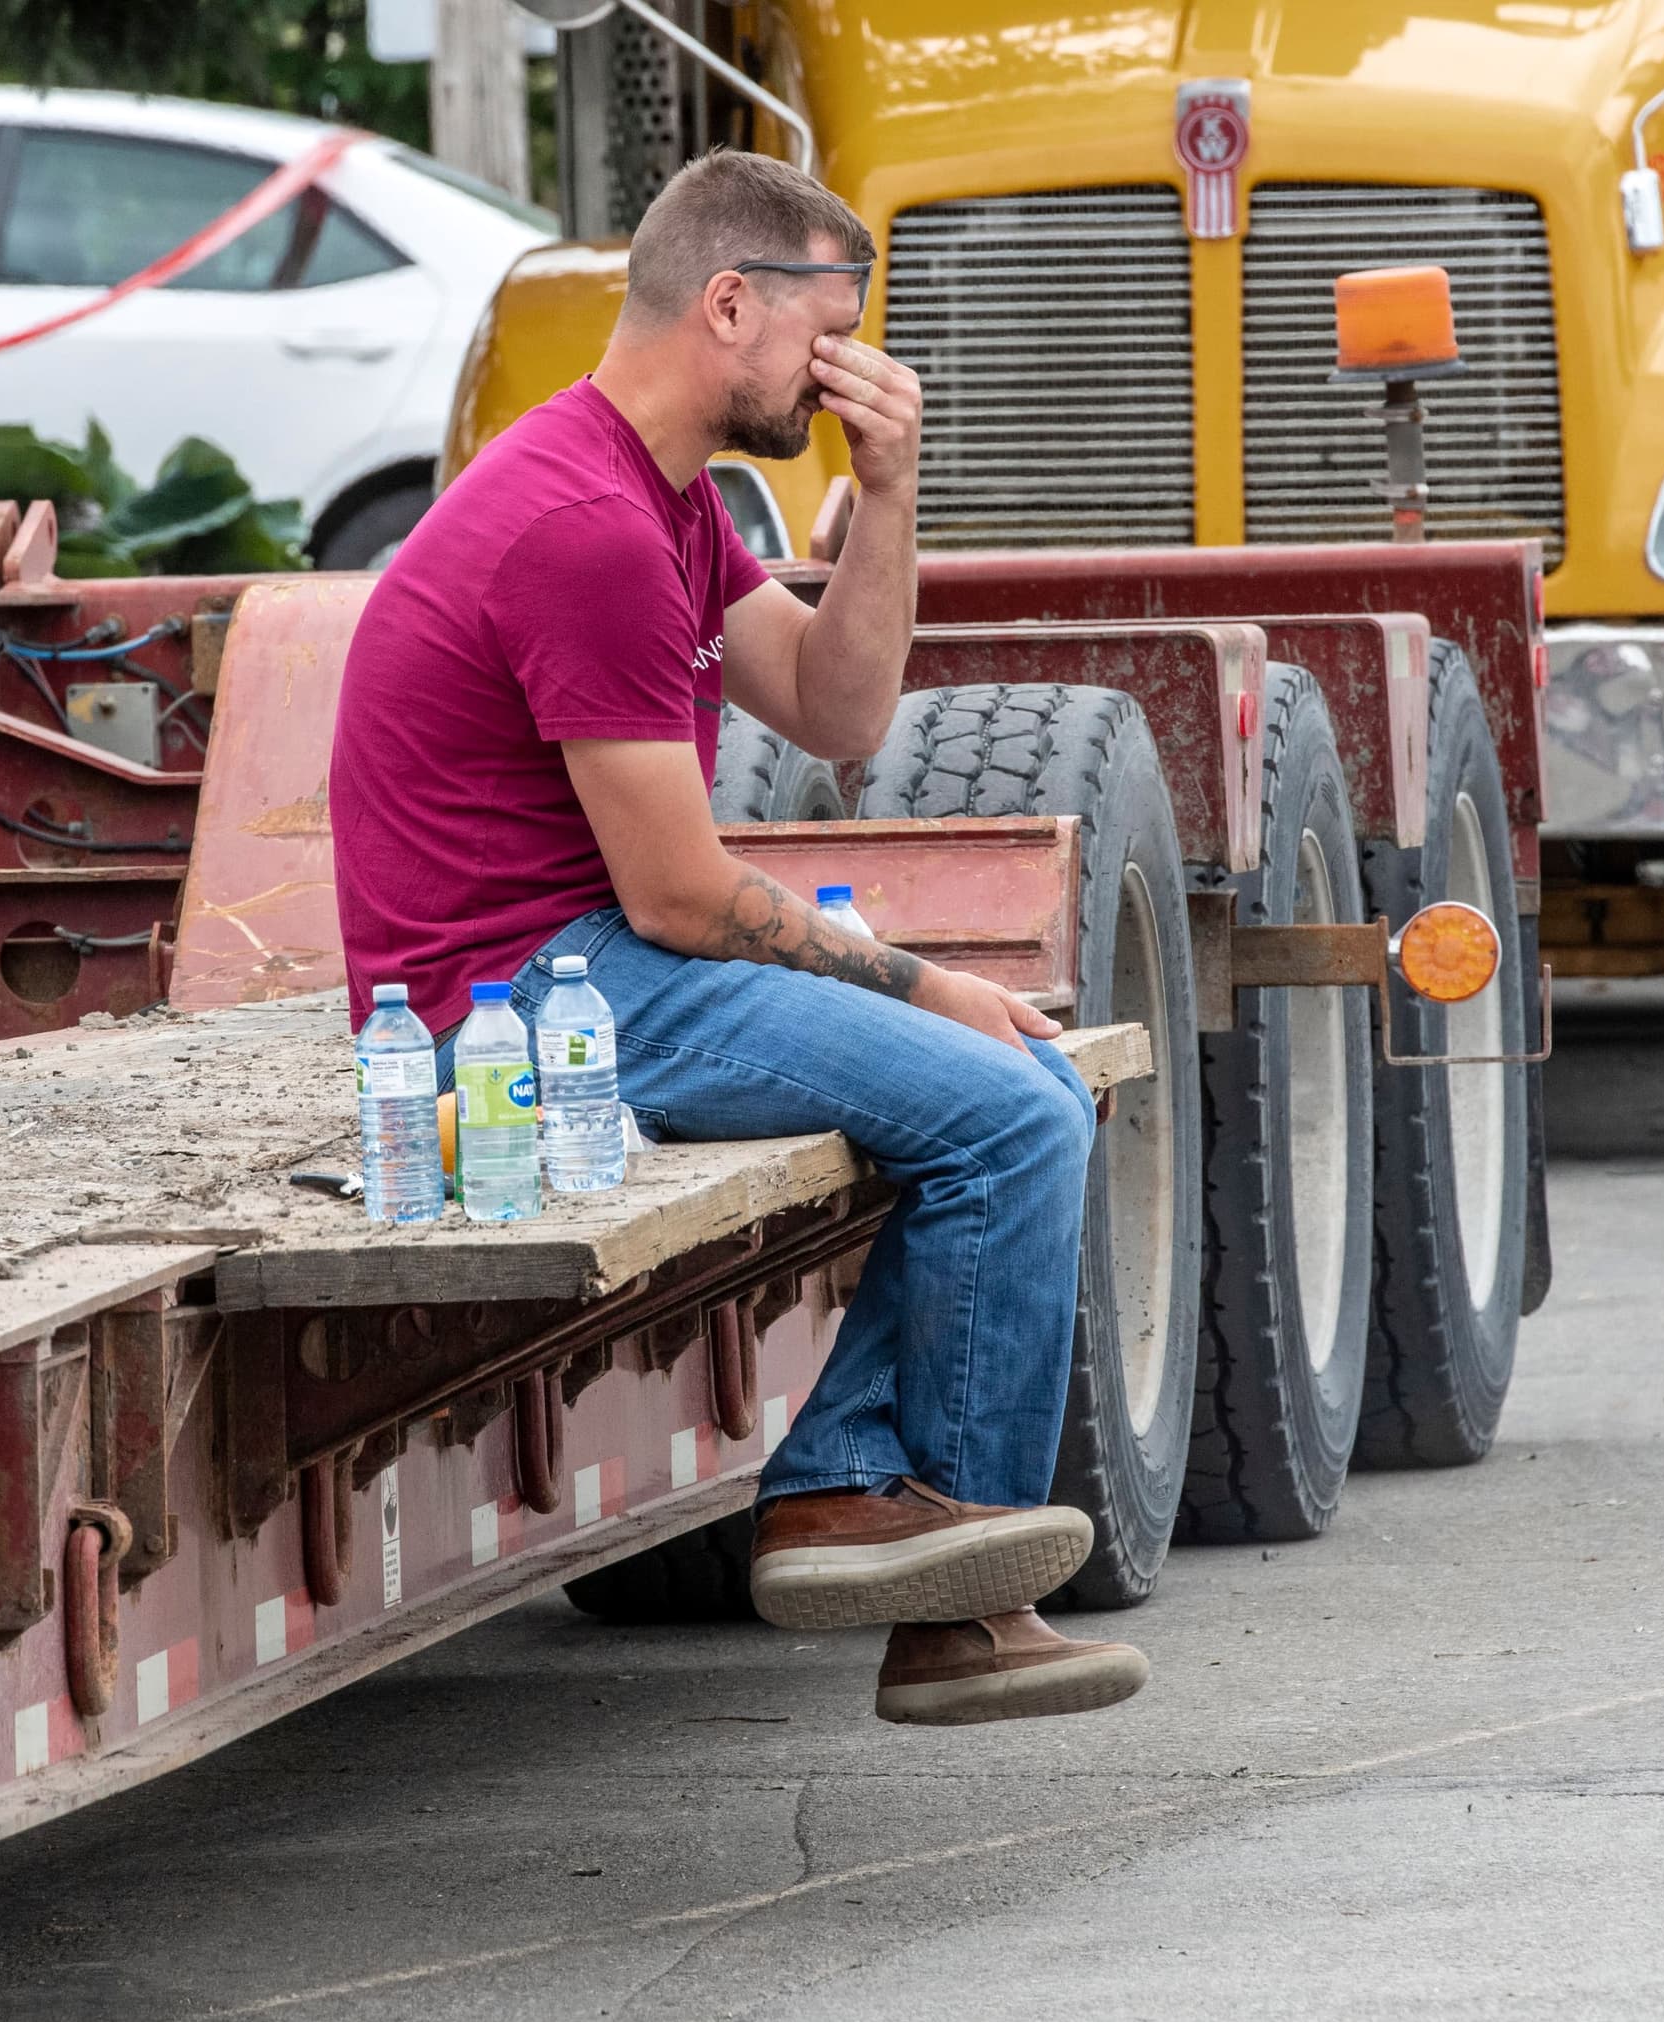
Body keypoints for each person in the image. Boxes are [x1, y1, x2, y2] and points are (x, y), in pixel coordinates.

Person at [326, 150, 1146, 1727]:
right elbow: (680, 899)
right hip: (519, 1003)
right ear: (730, 305)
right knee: (1007, 1109)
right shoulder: (584, 527)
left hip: (591, 964)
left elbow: (842, 712)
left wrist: (891, 492)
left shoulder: (665, 501)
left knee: (1032, 1100)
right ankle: (900, 1543)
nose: (854, 369)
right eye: (833, 334)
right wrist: (931, 984)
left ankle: (906, 1543)